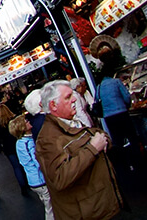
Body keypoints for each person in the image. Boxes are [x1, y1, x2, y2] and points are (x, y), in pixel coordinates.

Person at [36, 80, 122, 219]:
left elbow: (95, 134)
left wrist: (103, 140)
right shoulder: (47, 139)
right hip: (87, 213)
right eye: (68, 97)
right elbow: (59, 178)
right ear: (54, 105)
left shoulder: (71, 122)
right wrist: (93, 149)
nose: (74, 99)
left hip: (99, 207)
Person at [97, 48, 140, 174]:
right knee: (132, 138)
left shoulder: (99, 87)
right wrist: (127, 105)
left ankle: (125, 167)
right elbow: (127, 97)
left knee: (118, 142)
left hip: (109, 118)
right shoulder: (116, 82)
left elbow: (97, 102)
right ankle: (137, 163)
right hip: (122, 113)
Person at [10, 114, 53, 220]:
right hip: (40, 179)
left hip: (33, 181)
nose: (29, 122)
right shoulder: (29, 143)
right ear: (23, 127)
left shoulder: (19, 143)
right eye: (26, 122)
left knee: (46, 204)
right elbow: (37, 161)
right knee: (50, 208)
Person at [0, 104, 29, 196]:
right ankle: (28, 182)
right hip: (18, 143)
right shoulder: (14, 120)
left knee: (16, 167)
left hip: (8, 148)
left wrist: (0, 148)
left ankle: (23, 187)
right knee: (24, 163)